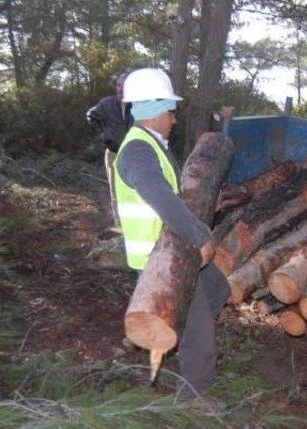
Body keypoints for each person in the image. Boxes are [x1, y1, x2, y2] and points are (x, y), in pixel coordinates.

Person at [114, 68, 229, 398]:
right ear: (152, 110)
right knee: (201, 341)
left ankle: (173, 329)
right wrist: (199, 235)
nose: (174, 120)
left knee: (217, 288)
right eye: (170, 111)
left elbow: (173, 192)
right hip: (162, 263)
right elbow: (162, 198)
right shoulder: (138, 151)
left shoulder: (151, 143)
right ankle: (192, 403)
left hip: (172, 247)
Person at [86, 73, 133, 226]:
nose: (121, 89)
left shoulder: (139, 106)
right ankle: (119, 222)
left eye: (124, 86)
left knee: (133, 187)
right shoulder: (107, 104)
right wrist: (102, 134)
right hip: (113, 153)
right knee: (115, 188)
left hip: (133, 154)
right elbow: (90, 115)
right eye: (119, 85)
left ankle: (132, 220)